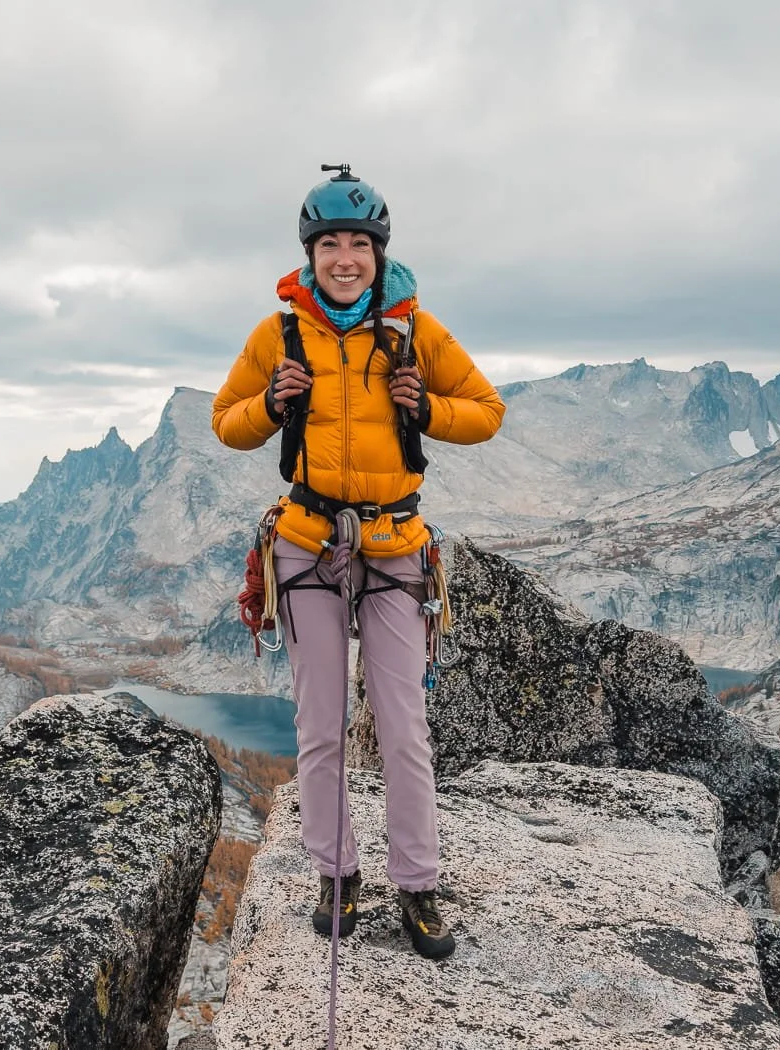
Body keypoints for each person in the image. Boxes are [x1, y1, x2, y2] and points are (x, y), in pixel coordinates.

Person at [211, 165, 504, 959]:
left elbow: (487, 412)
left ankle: (417, 884)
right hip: (307, 543)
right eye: (330, 244)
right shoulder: (280, 335)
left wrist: (426, 408)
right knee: (320, 726)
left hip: (393, 546)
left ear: (379, 252)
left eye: (358, 244)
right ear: (310, 254)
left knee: (404, 727)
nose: (345, 258)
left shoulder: (412, 331)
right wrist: (273, 403)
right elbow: (226, 422)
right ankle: (335, 874)